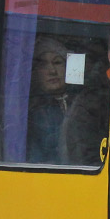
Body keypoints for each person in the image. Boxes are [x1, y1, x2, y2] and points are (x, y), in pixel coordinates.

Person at [26, 35, 73, 164]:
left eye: (57, 62)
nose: (52, 71)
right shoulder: (31, 111)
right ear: (35, 72)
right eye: (43, 65)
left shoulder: (82, 102)